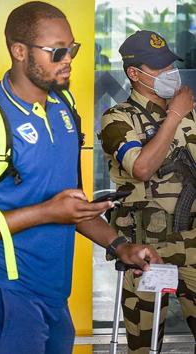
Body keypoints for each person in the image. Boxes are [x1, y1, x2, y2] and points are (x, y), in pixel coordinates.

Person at [0, 3, 161, 353]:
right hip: (0, 287)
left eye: (72, 49)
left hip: (52, 288)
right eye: (57, 51)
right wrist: (46, 213)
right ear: (19, 51)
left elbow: (71, 206)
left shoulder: (64, 108)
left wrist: (121, 246)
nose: (68, 59)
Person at [100, 30, 196, 353]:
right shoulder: (117, 118)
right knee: (144, 347)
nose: (170, 74)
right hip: (146, 252)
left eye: (170, 65)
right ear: (134, 74)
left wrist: (182, 113)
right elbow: (140, 168)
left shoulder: (190, 114)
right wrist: (174, 115)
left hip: (193, 247)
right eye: (160, 68)